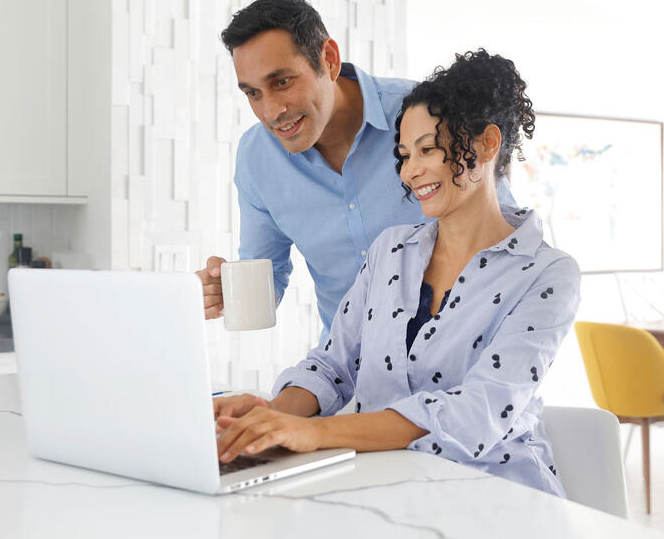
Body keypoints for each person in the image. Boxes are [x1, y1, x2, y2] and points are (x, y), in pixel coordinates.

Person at [212, 50, 581, 497]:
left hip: (498, 495)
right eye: (405, 155)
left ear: (487, 143)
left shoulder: (547, 274)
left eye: (428, 150)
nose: (410, 171)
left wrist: (319, 434)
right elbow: (331, 365)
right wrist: (271, 416)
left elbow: (477, 414)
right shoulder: (391, 251)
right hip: (382, 487)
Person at [196, 0, 513, 339]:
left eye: (283, 82)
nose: (271, 111)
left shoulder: (427, 116)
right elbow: (266, 275)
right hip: (347, 372)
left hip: (458, 355)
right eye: (253, 93)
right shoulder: (256, 158)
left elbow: (503, 231)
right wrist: (229, 293)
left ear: (329, 60)